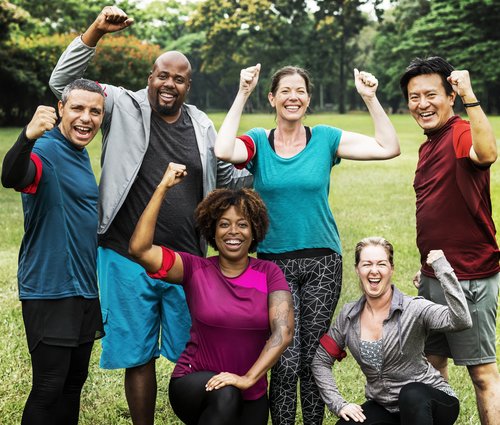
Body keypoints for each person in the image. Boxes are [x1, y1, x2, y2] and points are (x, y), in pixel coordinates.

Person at [48, 6, 251, 425]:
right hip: (125, 254)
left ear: (188, 85)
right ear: (150, 77)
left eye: (179, 78)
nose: (169, 84)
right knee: (138, 355)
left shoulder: (201, 125)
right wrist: (96, 32)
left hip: (185, 262)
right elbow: (63, 84)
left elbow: (228, 173)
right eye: (162, 74)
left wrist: (272, 162)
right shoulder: (121, 104)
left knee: (193, 353)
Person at [214, 64, 400, 424]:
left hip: (323, 262)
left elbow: (388, 147)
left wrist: (370, 98)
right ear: (272, 98)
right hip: (274, 265)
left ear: (308, 99)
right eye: (284, 91)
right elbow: (223, 149)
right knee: (284, 354)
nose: (293, 97)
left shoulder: (325, 139)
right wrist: (242, 91)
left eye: (300, 91)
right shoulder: (258, 142)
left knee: (313, 357)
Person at [128, 162, 294, 425]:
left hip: (250, 390)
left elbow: (283, 332)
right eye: (224, 224)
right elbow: (139, 249)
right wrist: (163, 188)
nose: (233, 232)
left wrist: (248, 378)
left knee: (232, 394)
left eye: (242, 225)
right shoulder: (195, 268)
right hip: (195, 382)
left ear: (254, 232)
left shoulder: (269, 273)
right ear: (212, 232)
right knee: (225, 393)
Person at [399, 57, 500, 425]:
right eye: (414, 97)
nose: (422, 104)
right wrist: (427, 268)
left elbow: (487, 153)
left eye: (430, 95)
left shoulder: (458, 132)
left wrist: (471, 95)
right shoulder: (430, 143)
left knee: (482, 373)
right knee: (432, 365)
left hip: (469, 278)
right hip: (435, 276)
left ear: (450, 97)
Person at [1, 79, 106, 425]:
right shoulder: (44, 148)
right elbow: (13, 175)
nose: (86, 118)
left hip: (84, 289)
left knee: (73, 384)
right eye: (77, 108)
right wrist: (27, 136)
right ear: (61, 108)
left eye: (95, 111)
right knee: (48, 386)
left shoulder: (77, 154)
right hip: (51, 287)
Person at [311, 237, 472, 425]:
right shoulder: (349, 316)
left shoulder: (413, 309)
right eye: (366, 264)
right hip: (385, 406)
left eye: (381, 264)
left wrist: (443, 269)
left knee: (411, 394)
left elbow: (461, 320)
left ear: (391, 269)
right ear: (357, 269)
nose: (374, 270)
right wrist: (339, 404)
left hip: (431, 402)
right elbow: (321, 360)